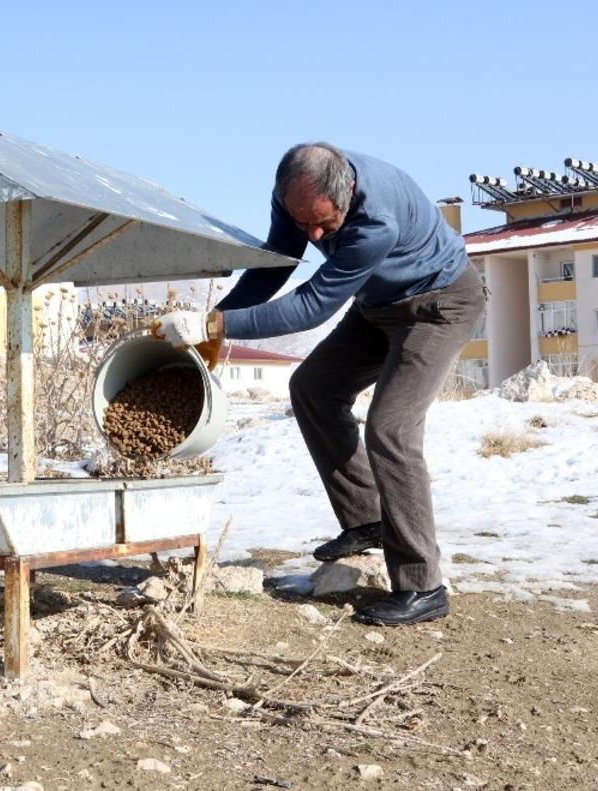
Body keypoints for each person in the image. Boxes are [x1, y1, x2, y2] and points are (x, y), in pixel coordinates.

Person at [152, 143, 485, 626]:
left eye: (325, 225)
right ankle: (368, 520)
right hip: (379, 305)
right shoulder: (297, 194)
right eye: (303, 222)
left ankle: (422, 585)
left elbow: (313, 305)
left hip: (438, 306)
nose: (313, 234)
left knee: (391, 429)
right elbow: (276, 266)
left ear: (347, 193)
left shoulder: (377, 220)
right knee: (313, 388)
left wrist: (216, 327)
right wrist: (212, 319)